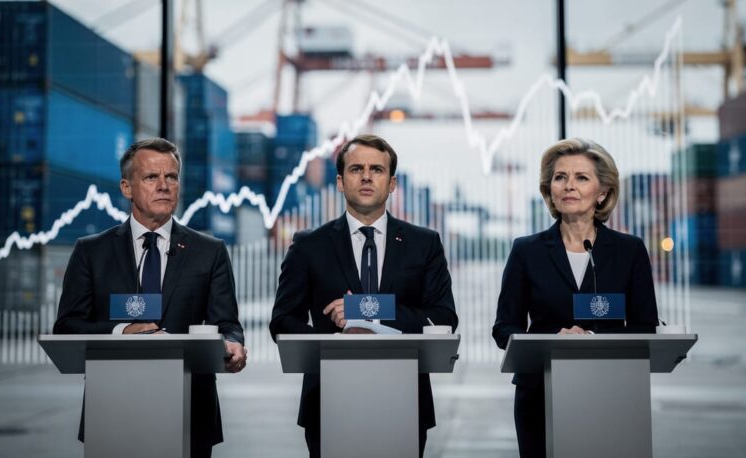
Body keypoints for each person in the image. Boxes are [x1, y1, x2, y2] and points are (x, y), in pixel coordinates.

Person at [53, 138, 247, 458]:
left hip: (190, 413)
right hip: (112, 410)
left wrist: (233, 343)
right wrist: (123, 331)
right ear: (127, 188)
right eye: (151, 177)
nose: (164, 186)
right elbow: (67, 326)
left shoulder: (209, 251)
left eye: (171, 177)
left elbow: (227, 324)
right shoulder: (91, 252)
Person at [270, 134, 458, 458]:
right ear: (340, 182)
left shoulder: (424, 244)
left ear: (392, 183)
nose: (367, 176)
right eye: (357, 169)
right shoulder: (308, 246)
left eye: (377, 170)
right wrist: (333, 342)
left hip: (405, 399)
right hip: (327, 399)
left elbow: (444, 317)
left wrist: (365, 310)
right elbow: (283, 321)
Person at [491, 138, 659, 458]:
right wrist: (553, 340)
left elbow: (645, 326)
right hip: (540, 391)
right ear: (550, 190)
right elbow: (504, 328)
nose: (569, 185)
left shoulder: (629, 250)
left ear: (602, 192)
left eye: (581, 177)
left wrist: (591, 339)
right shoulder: (526, 250)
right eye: (560, 177)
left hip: (611, 389)